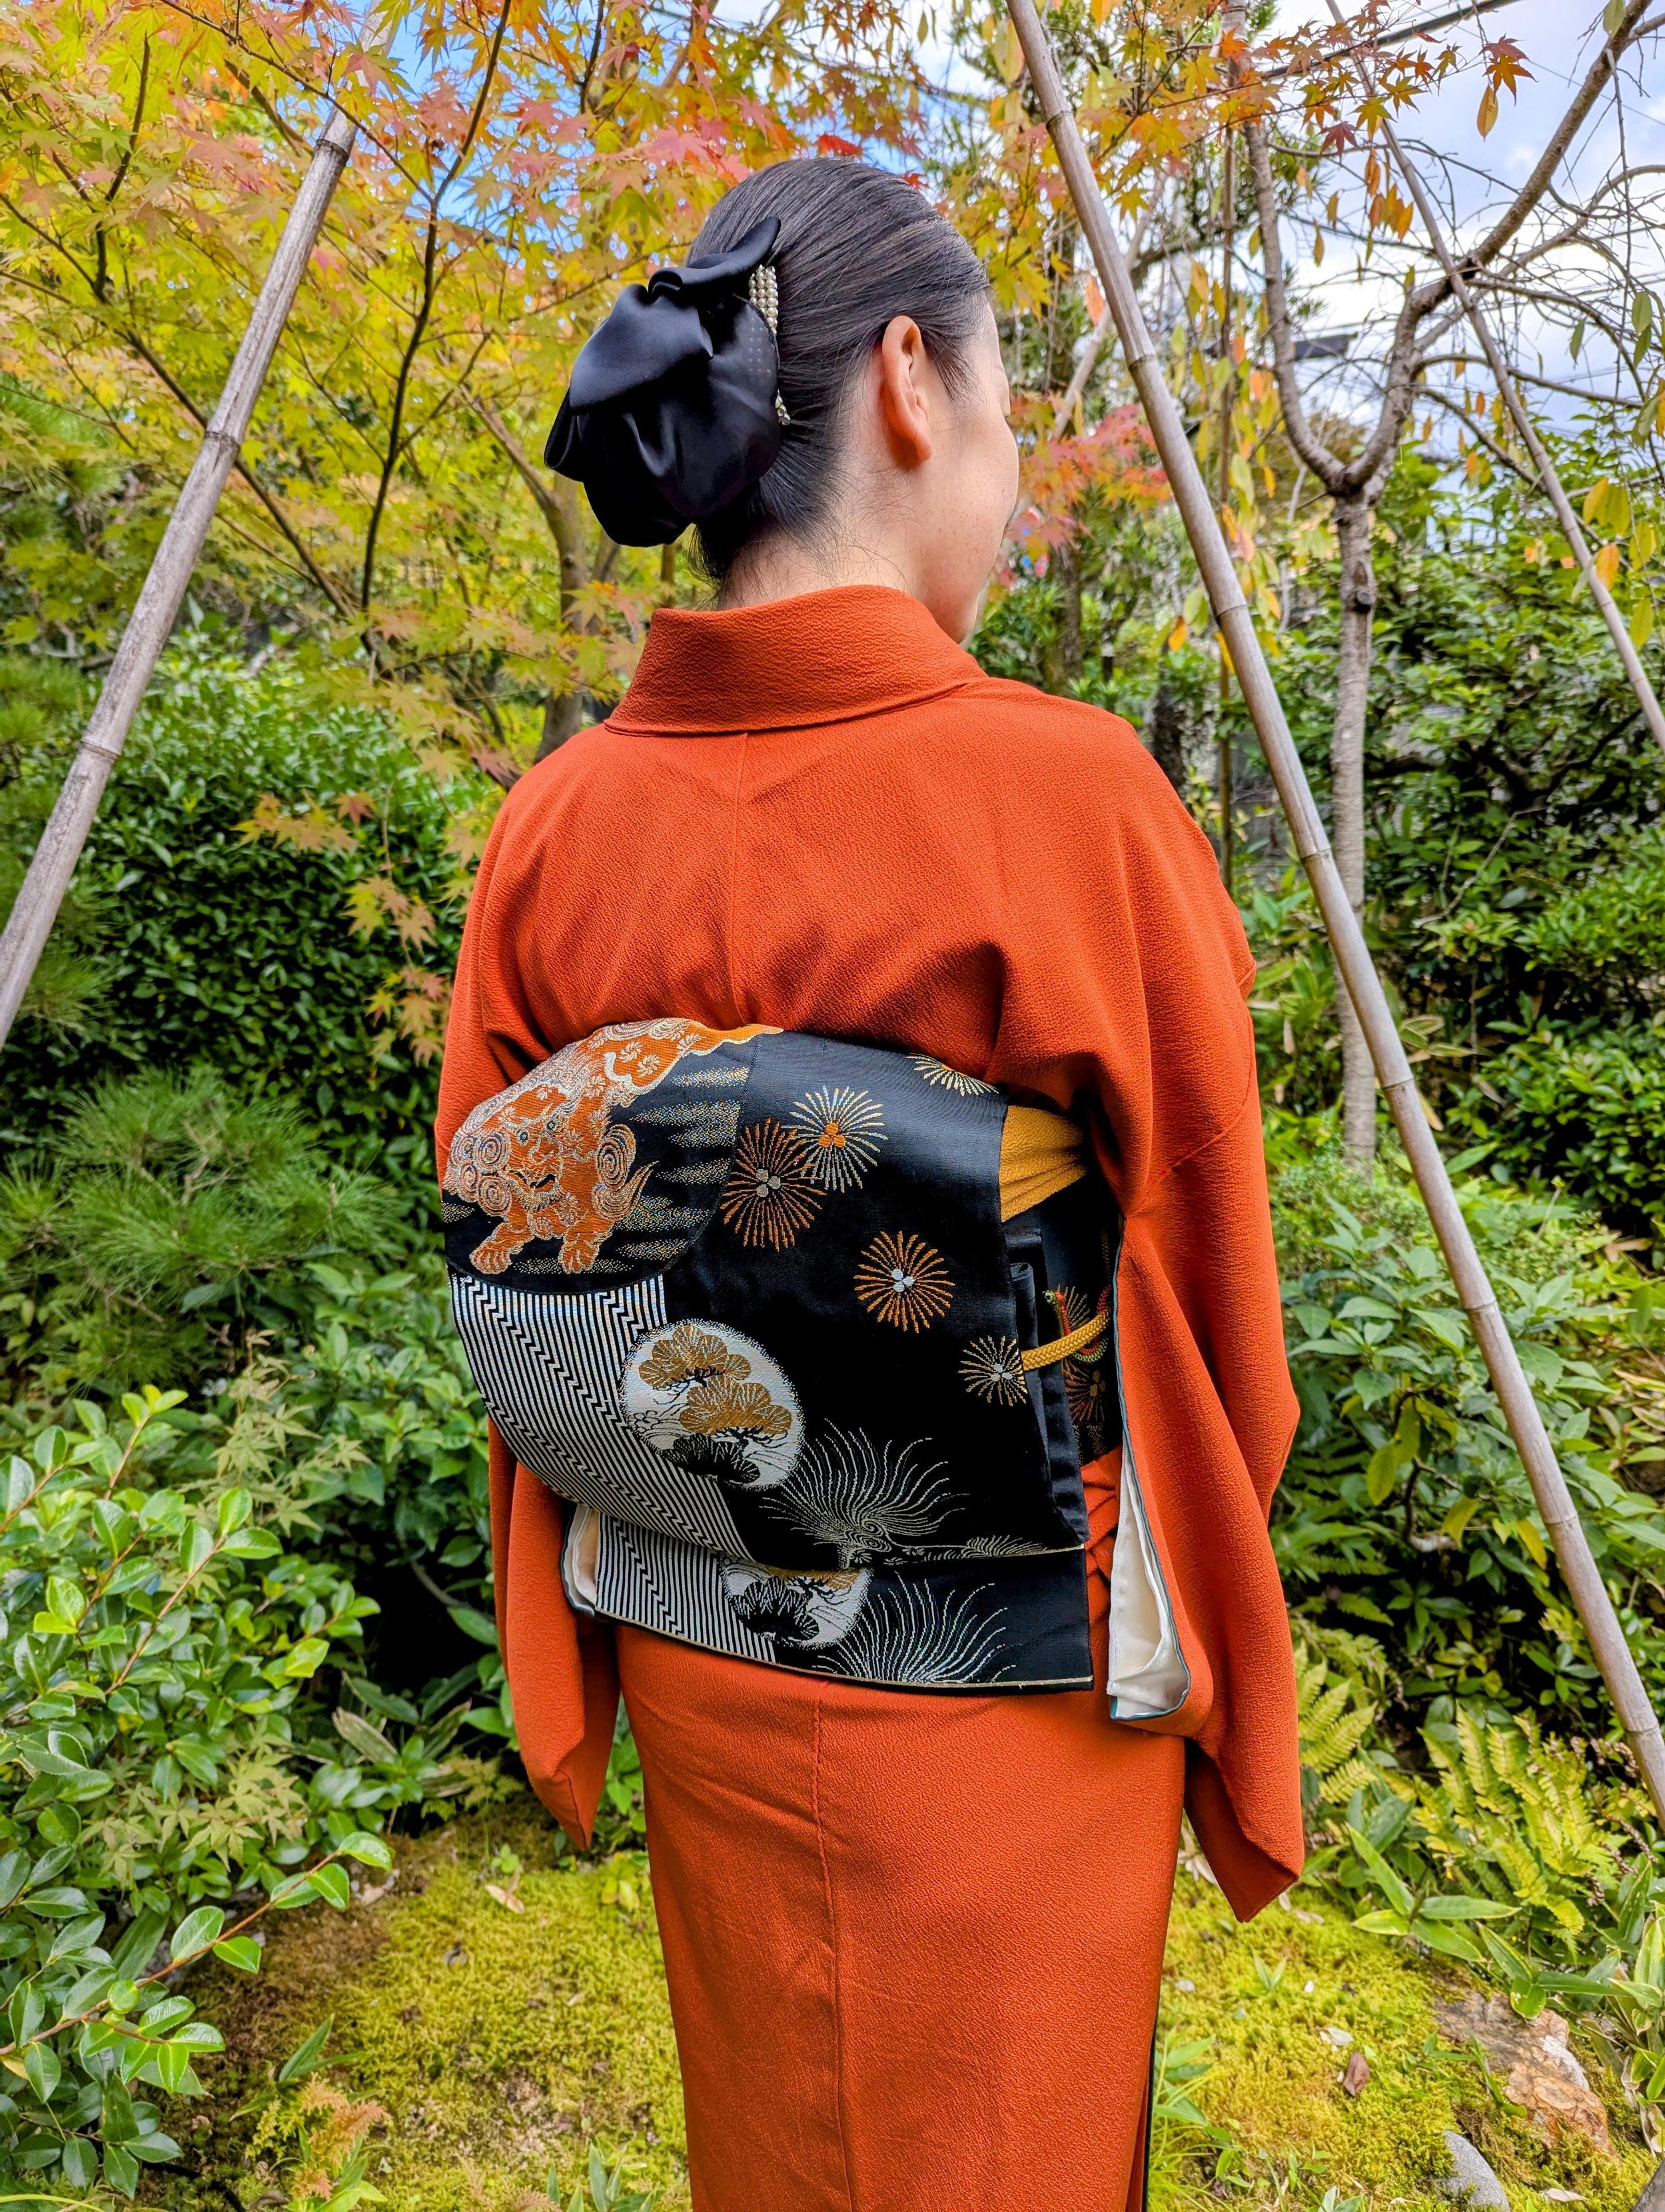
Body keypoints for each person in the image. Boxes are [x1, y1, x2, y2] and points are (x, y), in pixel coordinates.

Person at [435, 157, 1302, 2212]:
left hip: (705, 1657)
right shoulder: (1062, 794)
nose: (1004, 477)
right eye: (1006, 417)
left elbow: (514, 1277)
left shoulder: (552, 828)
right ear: (910, 382)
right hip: (1003, 1713)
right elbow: (1209, 1315)